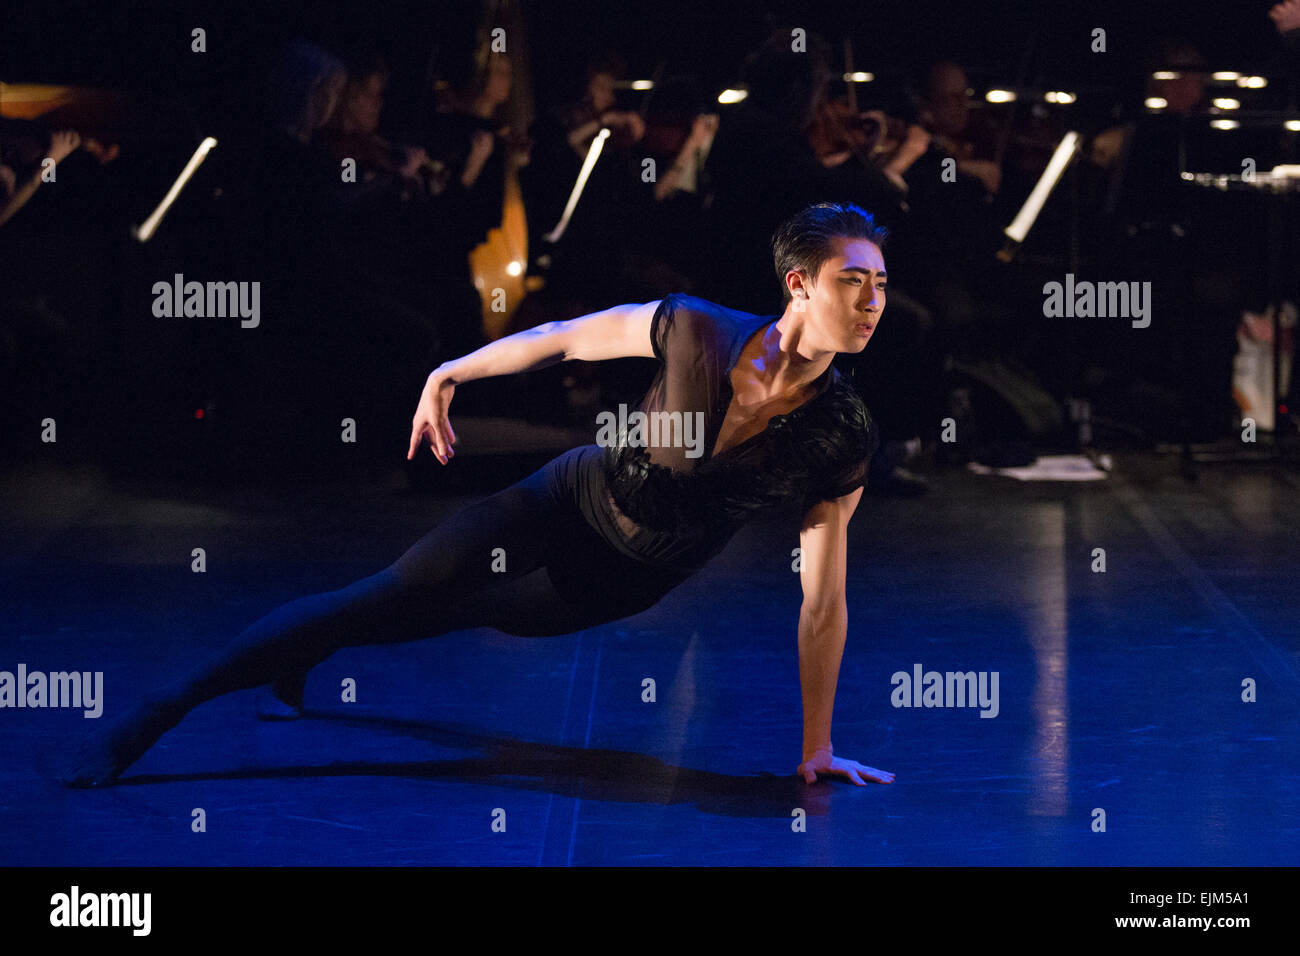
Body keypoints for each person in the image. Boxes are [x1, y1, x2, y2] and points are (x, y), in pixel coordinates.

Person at [62, 202, 897, 789]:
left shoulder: (841, 432)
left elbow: (822, 601)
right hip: (567, 495)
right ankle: (159, 712)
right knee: (391, 591)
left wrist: (816, 744)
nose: (872, 303)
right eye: (853, 280)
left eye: (881, 286)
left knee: (444, 613)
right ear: (797, 285)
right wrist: (449, 371)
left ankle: (314, 649)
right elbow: (562, 340)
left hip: (622, 578)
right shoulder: (693, 327)